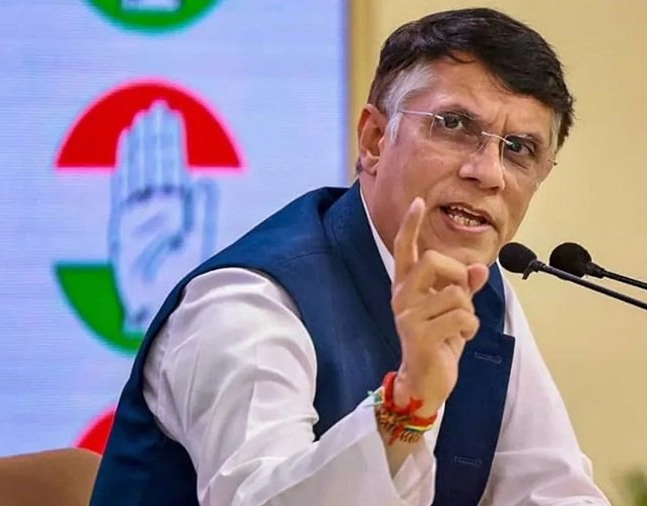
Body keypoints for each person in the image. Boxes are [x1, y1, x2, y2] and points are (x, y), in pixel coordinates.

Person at [90, 7, 609, 506]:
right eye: (453, 125)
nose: (488, 173)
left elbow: (551, 490)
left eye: (518, 149)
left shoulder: (482, 293)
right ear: (375, 139)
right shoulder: (248, 302)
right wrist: (407, 404)